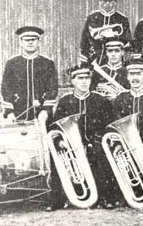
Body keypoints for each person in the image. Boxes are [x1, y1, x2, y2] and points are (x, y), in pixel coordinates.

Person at [49, 63, 116, 210]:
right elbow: (54, 127)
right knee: (58, 159)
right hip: (70, 146)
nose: (84, 81)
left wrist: (97, 142)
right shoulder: (65, 101)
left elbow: (109, 126)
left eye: (87, 78)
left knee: (102, 157)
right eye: (80, 78)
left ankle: (105, 198)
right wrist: (60, 142)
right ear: (72, 81)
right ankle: (58, 200)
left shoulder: (100, 100)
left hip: (95, 144)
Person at [1, 26, 58, 123]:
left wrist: (46, 111)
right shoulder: (12, 63)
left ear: (39, 42)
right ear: (21, 43)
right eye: (26, 40)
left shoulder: (48, 63)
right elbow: (6, 89)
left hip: (42, 116)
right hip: (18, 115)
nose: (30, 42)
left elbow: (52, 88)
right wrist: (9, 112)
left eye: (33, 40)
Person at [79, 0, 131, 64]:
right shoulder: (92, 17)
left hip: (116, 60)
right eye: (104, 0)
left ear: (115, 2)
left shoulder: (122, 18)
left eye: (110, 1)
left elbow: (127, 42)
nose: (107, 3)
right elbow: (84, 42)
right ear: (100, 1)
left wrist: (113, 37)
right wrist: (85, 61)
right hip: (95, 59)